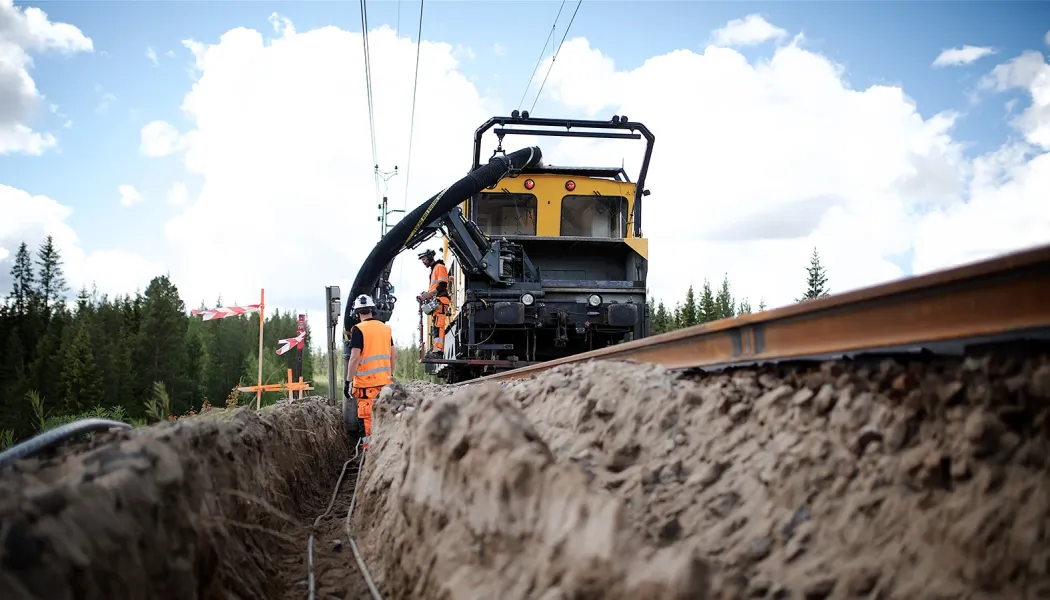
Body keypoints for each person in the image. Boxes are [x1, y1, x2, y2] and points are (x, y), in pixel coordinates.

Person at [343, 294, 396, 451]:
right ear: (373, 311)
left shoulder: (358, 330)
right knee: (385, 419)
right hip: (385, 386)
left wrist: (348, 381)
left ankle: (369, 456)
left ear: (356, 313)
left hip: (367, 388)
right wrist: (388, 375)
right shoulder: (386, 329)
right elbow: (394, 355)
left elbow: (354, 358)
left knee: (367, 424)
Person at [416, 248, 450, 359]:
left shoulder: (439, 267)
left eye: (424, 259)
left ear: (430, 257)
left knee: (439, 326)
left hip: (441, 301)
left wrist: (429, 295)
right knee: (436, 327)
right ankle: (436, 349)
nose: (423, 262)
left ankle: (438, 352)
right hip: (437, 301)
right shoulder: (434, 269)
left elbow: (442, 286)